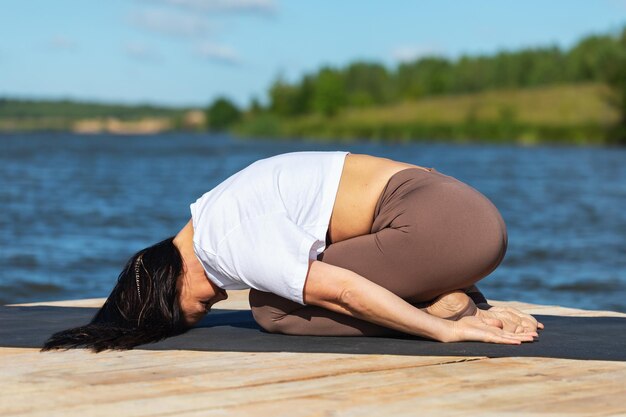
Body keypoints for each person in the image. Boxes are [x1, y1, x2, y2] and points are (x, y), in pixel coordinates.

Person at [42, 151, 542, 352]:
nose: (215, 300)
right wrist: (479, 299)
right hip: (464, 216)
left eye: (198, 306)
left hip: (444, 225)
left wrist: (445, 331)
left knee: (271, 308)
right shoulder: (217, 208)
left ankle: (434, 305)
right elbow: (363, 243)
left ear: (168, 282)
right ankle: (446, 293)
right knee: (289, 285)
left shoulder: (225, 238)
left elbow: (344, 288)